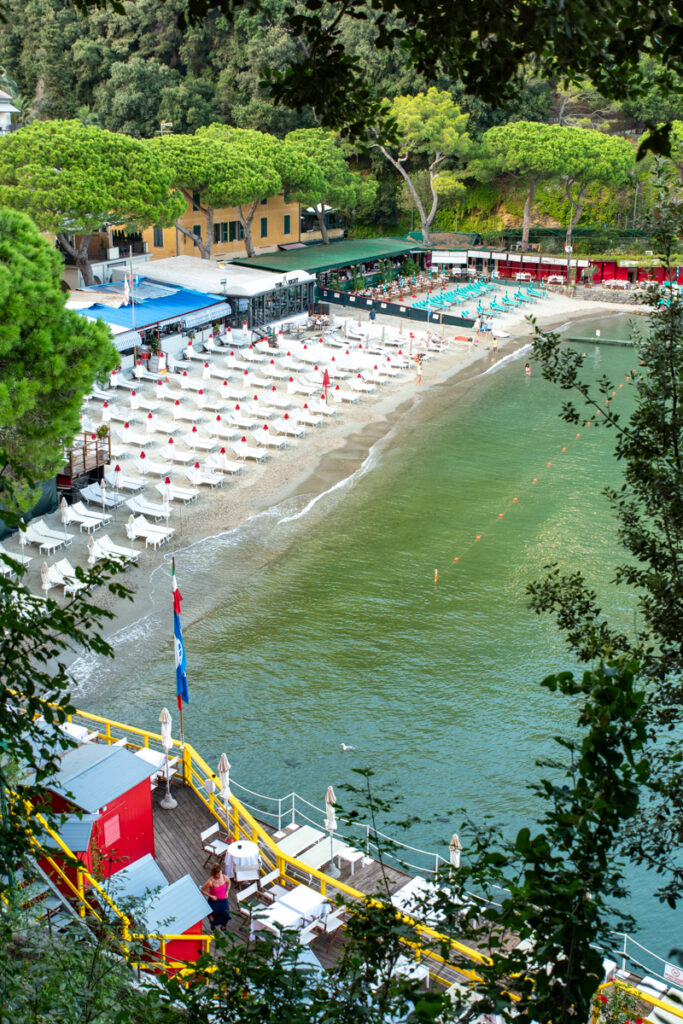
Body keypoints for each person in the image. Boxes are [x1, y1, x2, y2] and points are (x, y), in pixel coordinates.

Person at [201, 861, 231, 930]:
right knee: (213, 917)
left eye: (221, 873)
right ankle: (212, 925)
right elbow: (202, 890)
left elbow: (229, 883)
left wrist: (227, 892)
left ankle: (223, 926)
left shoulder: (224, 877)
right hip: (214, 900)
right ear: (214, 874)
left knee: (226, 914)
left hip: (223, 899)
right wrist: (211, 896)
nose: (220, 875)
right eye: (218, 874)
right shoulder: (210, 881)